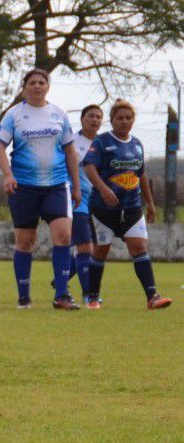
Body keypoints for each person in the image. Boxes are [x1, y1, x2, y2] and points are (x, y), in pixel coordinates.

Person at [0, 68, 82, 310]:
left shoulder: (59, 114)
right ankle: (24, 297)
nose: (37, 86)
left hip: (56, 185)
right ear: (24, 88)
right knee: (25, 241)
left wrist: (76, 186)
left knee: (63, 237)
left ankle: (62, 295)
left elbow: (70, 151)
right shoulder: (14, 115)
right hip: (24, 187)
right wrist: (8, 175)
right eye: (32, 82)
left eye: (41, 82)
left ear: (48, 86)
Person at [83, 99, 172, 310]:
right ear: (112, 120)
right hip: (103, 209)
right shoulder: (102, 141)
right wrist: (104, 189)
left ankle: (153, 297)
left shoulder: (137, 144)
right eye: (120, 118)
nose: (125, 121)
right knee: (101, 251)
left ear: (133, 120)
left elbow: (140, 175)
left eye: (129, 118)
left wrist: (150, 203)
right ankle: (92, 296)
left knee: (139, 247)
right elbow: (88, 167)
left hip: (132, 207)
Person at [65, 104, 103, 305]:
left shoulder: (103, 144)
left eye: (98, 116)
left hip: (96, 203)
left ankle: (61, 279)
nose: (94, 120)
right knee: (85, 247)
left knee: (94, 248)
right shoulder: (72, 142)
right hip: (76, 200)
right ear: (82, 119)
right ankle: (89, 294)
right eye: (90, 116)